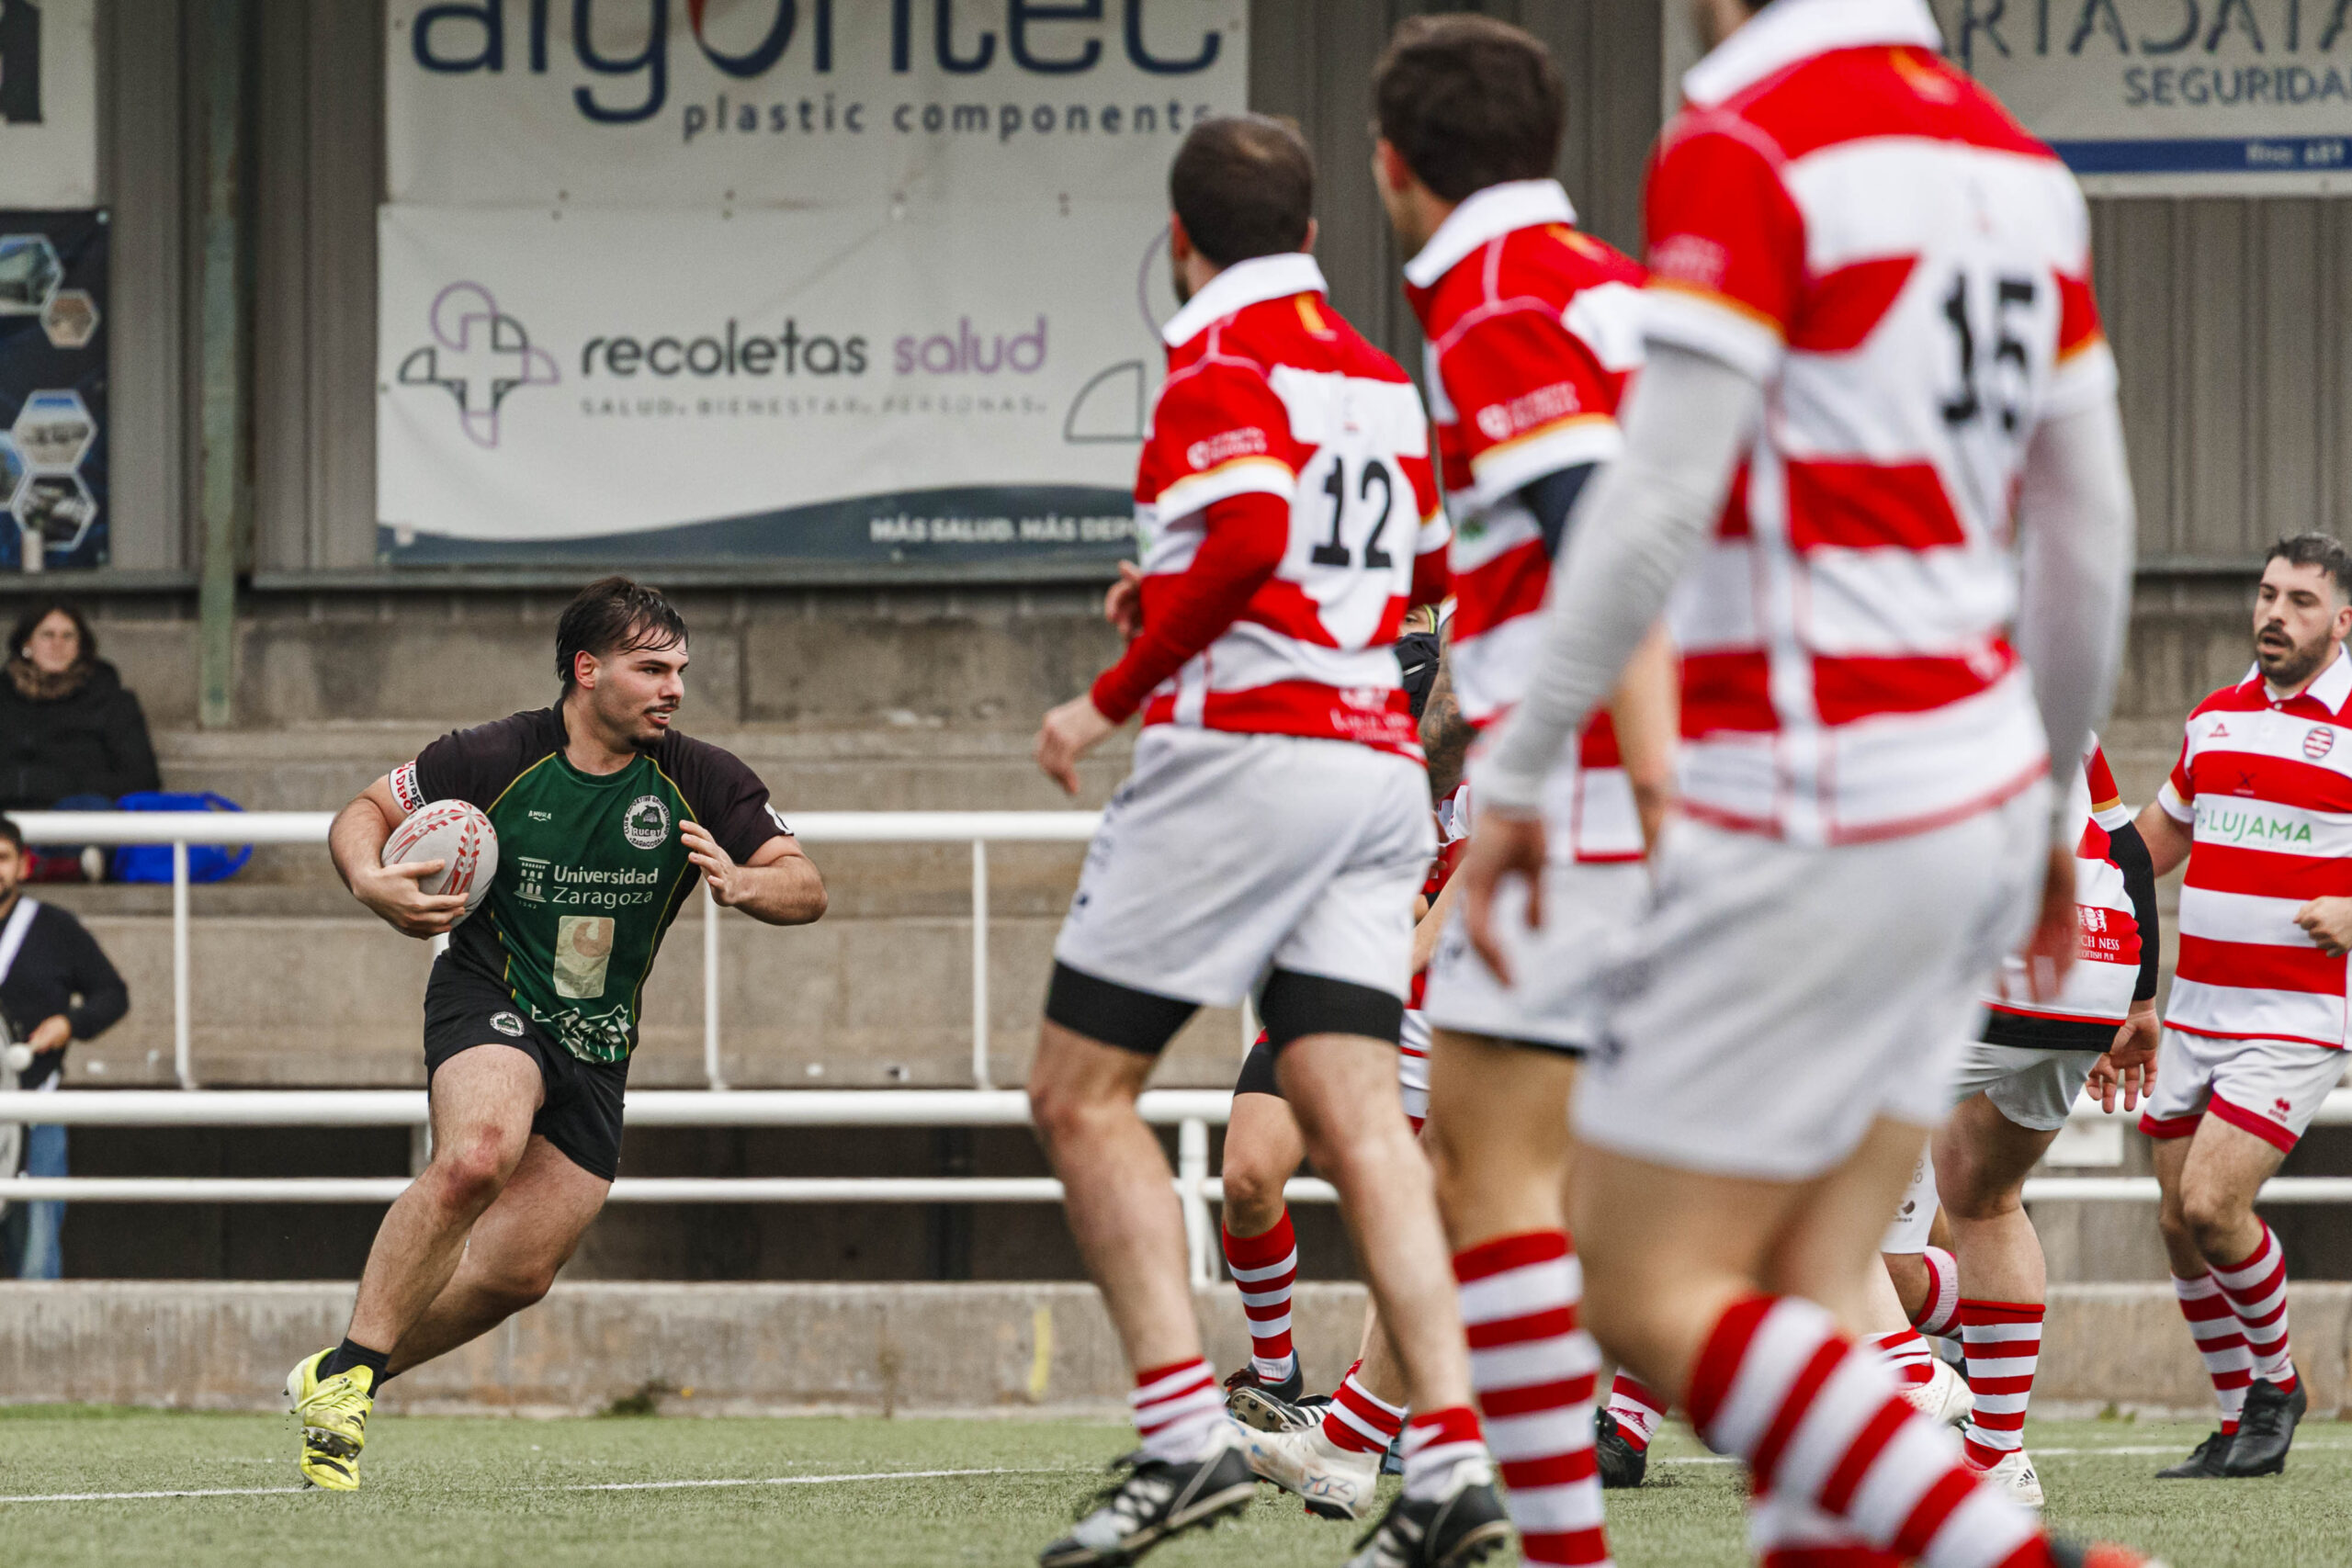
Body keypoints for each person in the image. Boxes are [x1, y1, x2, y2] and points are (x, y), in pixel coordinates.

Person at [1452, 1, 2156, 1564]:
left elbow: (1649, 505)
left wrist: (1513, 773)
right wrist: (2047, 814)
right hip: (1970, 798)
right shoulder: (2019, 168)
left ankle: (2009, 1553)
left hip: (1816, 794)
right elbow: (2089, 523)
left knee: (1636, 1279)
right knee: (1809, 1298)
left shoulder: (1749, 141)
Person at [1024, 114, 1505, 1568]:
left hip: (1249, 757)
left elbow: (1244, 533)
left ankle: (1183, 1437)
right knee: (1364, 1122)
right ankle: (1450, 1470)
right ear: (1310, 236)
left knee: (1078, 1091)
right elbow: (1419, 576)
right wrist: (1168, 592)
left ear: (1180, 243)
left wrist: (1103, 701)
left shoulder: (1210, 362)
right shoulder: (1377, 379)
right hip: (1375, 775)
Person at [288, 577, 826, 1491]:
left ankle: (345, 1370)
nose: (674, 688)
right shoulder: (492, 754)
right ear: (587, 670)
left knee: (516, 1275)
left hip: (600, 1040)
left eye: (680, 670)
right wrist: (367, 880)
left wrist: (744, 884)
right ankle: (345, 1402)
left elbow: (805, 885)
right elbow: (364, 812)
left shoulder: (702, 777)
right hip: (488, 995)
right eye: (651, 667)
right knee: (475, 1158)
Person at [1370, 17, 1677, 1557]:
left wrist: (1655, 812)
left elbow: (1608, 549)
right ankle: (1459, 1485)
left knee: (1520, 1198)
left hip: (1602, 816)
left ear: (1392, 165)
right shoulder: (1617, 284)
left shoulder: (1492, 299)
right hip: (1613, 799)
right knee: (1507, 1186)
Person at [1218, 614, 1467, 1524]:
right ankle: (1307, 1397)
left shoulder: (1508, 739)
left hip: (1459, 999)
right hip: (1342, 989)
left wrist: (1412, 940)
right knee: (1253, 1174)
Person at [1875, 741, 2163, 1505]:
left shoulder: (1892, 650)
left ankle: (1905, 1371)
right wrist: (2136, 1002)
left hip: (1986, 947)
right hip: (2097, 955)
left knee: (1782, 1176)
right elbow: (2127, 845)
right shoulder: (2052, 678)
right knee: (1984, 1198)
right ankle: (1997, 1457)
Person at [2131, 534, 2352, 1482]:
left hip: (2295, 1017)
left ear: (2342, 621)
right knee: (2177, 1227)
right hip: (2193, 1010)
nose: (2274, 614)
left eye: (2300, 601)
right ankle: (2232, 1422)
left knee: (2214, 1205)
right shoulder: (2213, 717)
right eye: (2266, 594)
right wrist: (2068, 891)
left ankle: (2278, 1383)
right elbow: (2153, 842)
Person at [0, 812, 128, 1278]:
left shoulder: (54, 928)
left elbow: (113, 995)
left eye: (3, 857)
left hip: (37, 1105)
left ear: (23, 865)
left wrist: (69, 1023)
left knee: (37, 1247)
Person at [0, 600, 162, 880]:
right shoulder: (3, 697)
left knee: (95, 813)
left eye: (68, 636)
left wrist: (65, 784)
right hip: (8, 812)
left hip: (73, 813)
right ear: (27, 643)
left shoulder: (111, 701)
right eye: (47, 635)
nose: (57, 644)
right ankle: (47, 867)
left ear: (80, 647)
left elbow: (143, 778)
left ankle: (49, 865)